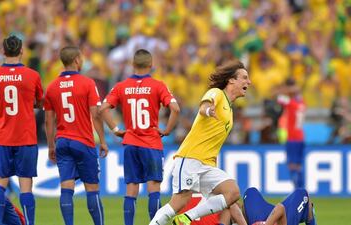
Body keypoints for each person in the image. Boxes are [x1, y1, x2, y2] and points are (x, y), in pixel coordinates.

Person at [149, 60, 251, 225]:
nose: (249, 82)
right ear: (232, 80)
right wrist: (209, 110)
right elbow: (203, 107)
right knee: (180, 201)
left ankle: (186, 218)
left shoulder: (230, 110)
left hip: (207, 164)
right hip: (191, 158)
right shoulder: (217, 93)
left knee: (232, 193)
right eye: (244, 78)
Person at [99, 49, 180, 225]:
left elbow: (103, 108)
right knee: (153, 188)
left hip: (130, 143)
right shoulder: (158, 85)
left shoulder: (121, 86)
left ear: (133, 65)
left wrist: (115, 129)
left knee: (131, 189)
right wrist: (166, 130)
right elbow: (176, 109)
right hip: (151, 143)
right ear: (151, 65)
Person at [44, 46, 108, 225]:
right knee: (92, 189)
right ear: (77, 60)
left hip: (62, 142)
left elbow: (49, 121)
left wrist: (51, 146)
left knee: (66, 188)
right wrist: (102, 141)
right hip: (83, 141)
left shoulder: (52, 86)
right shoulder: (87, 83)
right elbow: (95, 114)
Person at [0, 35, 43, 225]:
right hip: (26, 137)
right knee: (25, 186)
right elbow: (38, 102)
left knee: (0, 183)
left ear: (3, 51)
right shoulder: (32, 75)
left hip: (3, 137)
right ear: (21, 51)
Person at [277, 78, 306, 188]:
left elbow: (279, 98)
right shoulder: (302, 103)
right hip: (300, 137)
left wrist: (285, 89)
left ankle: (297, 190)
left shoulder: (291, 103)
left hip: (293, 138)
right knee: (298, 165)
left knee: (292, 165)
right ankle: (301, 189)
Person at [242, 187, 317, 225]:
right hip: (284, 219)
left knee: (250, 192)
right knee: (303, 194)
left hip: (259, 218)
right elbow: (280, 208)